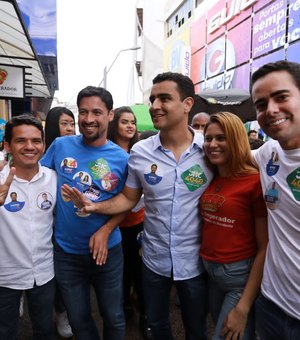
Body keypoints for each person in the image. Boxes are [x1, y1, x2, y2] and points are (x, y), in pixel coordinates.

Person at [62, 72, 214, 339]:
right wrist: (94, 207)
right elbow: (129, 199)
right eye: (153, 99)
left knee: (197, 330)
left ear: (188, 104)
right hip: (153, 262)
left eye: (164, 98)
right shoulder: (140, 152)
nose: (155, 105)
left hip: (196, 263)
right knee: (157, 327)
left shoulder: (211, 149)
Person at [42, 86, 128, 340]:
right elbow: (37, 179)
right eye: (83, 112)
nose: (88, 119)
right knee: (78, 319)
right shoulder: (60, 146)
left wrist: (106, 229)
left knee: (114, 316)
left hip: (108, 253)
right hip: (66, 254)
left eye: (97, 112)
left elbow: (127, 202)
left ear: (110, 115)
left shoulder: (121, 158)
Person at [200, 112, 268, 339]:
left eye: (221, 138)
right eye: (208, 138)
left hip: (238, 279)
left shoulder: (254, 182)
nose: (212, 144)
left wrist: (244, 306)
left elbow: (264, 247)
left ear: (237, 140)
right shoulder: (213, 176)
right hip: (211, 274)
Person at [251, 60, 300, 339]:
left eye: (281, 97)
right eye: (261, 104)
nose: (270, 110)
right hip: (271, 303)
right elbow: (232, 155)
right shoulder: (268, 152)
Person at [0, 114, 57, 340]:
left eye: (36, 141)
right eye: (21, 141)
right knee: (6, 332)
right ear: (7, 145)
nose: (30, 146)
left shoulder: (53, 178)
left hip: (44, 273)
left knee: (44, 330)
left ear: (43, 144)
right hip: (5, 276)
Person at [107, 106, 149, 336]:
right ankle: (123, 307)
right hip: (112, 224)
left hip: (138, 222)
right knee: (118, 272)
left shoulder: (141, 151)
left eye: (133, 122)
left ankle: (144, 313)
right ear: (115, 125)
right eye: (125, 122)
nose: (130, 126)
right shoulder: (106, 151)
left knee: (139, 270)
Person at [44, 106, 75, 338]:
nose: (70, 128)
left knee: (65, 274)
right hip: (47, 223)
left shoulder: (77, 151)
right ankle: (58, 312)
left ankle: (65, 311)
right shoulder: (46, 151)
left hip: (69, 224)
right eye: (64, 124)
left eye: (71, 123)